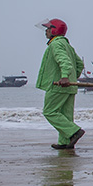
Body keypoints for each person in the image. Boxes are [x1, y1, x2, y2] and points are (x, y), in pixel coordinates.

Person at [37, 18, 85, 149]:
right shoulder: (67, 45)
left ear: (54, 30)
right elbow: (79, 64)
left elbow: (65, 62)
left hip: (57, 84)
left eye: (47, 29)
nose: (45, 31)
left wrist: (64, 77)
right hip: (70, 86)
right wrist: (72, 78)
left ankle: (74, 131)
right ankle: (65, 142)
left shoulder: (56, 44)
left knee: (49, 111)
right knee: (66, 115)